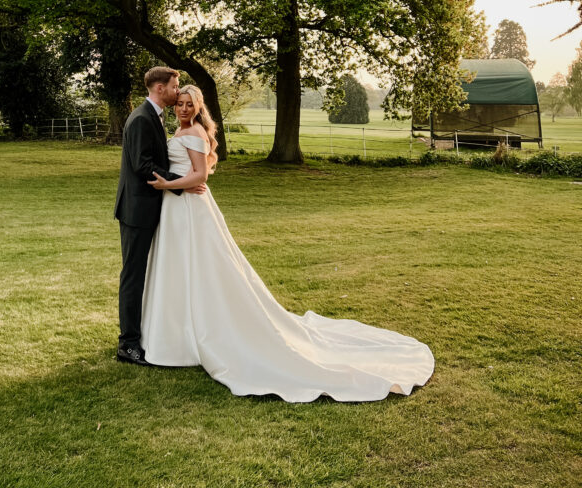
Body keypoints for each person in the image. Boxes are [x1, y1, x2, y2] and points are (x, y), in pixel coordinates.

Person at [143, 85, 435, 403]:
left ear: (198, 108)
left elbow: (200, 177)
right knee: (180, 267)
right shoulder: (181, 129)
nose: (183, 109)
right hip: (177, 207)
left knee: (202, 267)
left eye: (189, 105)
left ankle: (203, 330)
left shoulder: (195, 132)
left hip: (189, 206)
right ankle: (179, 333)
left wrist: (167, 184)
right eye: (180, 104)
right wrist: (170, 182)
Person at [114, 66, 206, 365]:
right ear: (159, 88)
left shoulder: (156, 115)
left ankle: (148, 333)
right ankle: (127, 344)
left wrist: (180, 182)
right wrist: (179, 184)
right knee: (133, 275)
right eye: (174, 86)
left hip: (152, 207)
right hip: (137, 210)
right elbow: (142, 165)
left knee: (149, 271)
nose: (178, 91)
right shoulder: (141, 118)